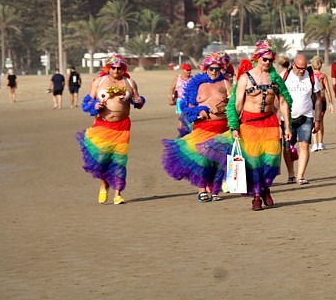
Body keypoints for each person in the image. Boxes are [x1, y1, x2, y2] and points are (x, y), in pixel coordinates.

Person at [206, 41, 293, 211]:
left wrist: (287, 126)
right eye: (265, 59)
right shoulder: (245, 78)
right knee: (253, 163)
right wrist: (234, 126)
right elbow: (236, 105)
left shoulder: (275, 78)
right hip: (249, 125)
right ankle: (256, 195)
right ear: (257, 58)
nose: (268, 62)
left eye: (270, 60)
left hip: (270, 123)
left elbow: (284, 101)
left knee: (271, 161)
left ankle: (266, 187)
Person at [161, 52, 234, 203]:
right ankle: (202, 189)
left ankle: (215, 189)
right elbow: (187, 107)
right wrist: (199, 111)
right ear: (206, 68)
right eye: (211, 69)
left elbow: (234, 105)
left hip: (222, 128)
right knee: (203, 160)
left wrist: (221, 110)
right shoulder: (196, 84)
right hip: (203, 127)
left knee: (220, 161)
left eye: (217, 69)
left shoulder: (226, 83)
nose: (214, 72)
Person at [77, 54, 145, 205]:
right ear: (108, 68)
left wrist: (139, 101)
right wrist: (95, 106)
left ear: (123, 69)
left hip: (122, 126)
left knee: (119, 160)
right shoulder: (99, 82)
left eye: (119, 68)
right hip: (103, 125)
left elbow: (138, 102)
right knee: (102, 159)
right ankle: (104, 185)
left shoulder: (129, 82)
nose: (116, 71)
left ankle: (118, 193)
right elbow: (87, 102)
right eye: (113, 68)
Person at [282, 54, 321, 185]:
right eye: (299, 68)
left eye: (304, 68)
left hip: (307, 116)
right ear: (293, 64)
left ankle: (300, 175)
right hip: (287, 118)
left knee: (304, 145)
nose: (302, 71)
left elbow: (318, 99)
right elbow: (277, 98)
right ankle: (291, 174)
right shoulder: (284, 76)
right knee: (288, 147)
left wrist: (317, 119)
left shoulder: (311, 77)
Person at [310, 55, 334, 152]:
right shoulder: (322, 76)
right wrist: (331, 102)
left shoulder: (310, 76)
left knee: (313, 121)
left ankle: (315, 144)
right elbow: (328, 90)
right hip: (322, 100)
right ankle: (320, 143)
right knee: (320, 121)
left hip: (311, 101)